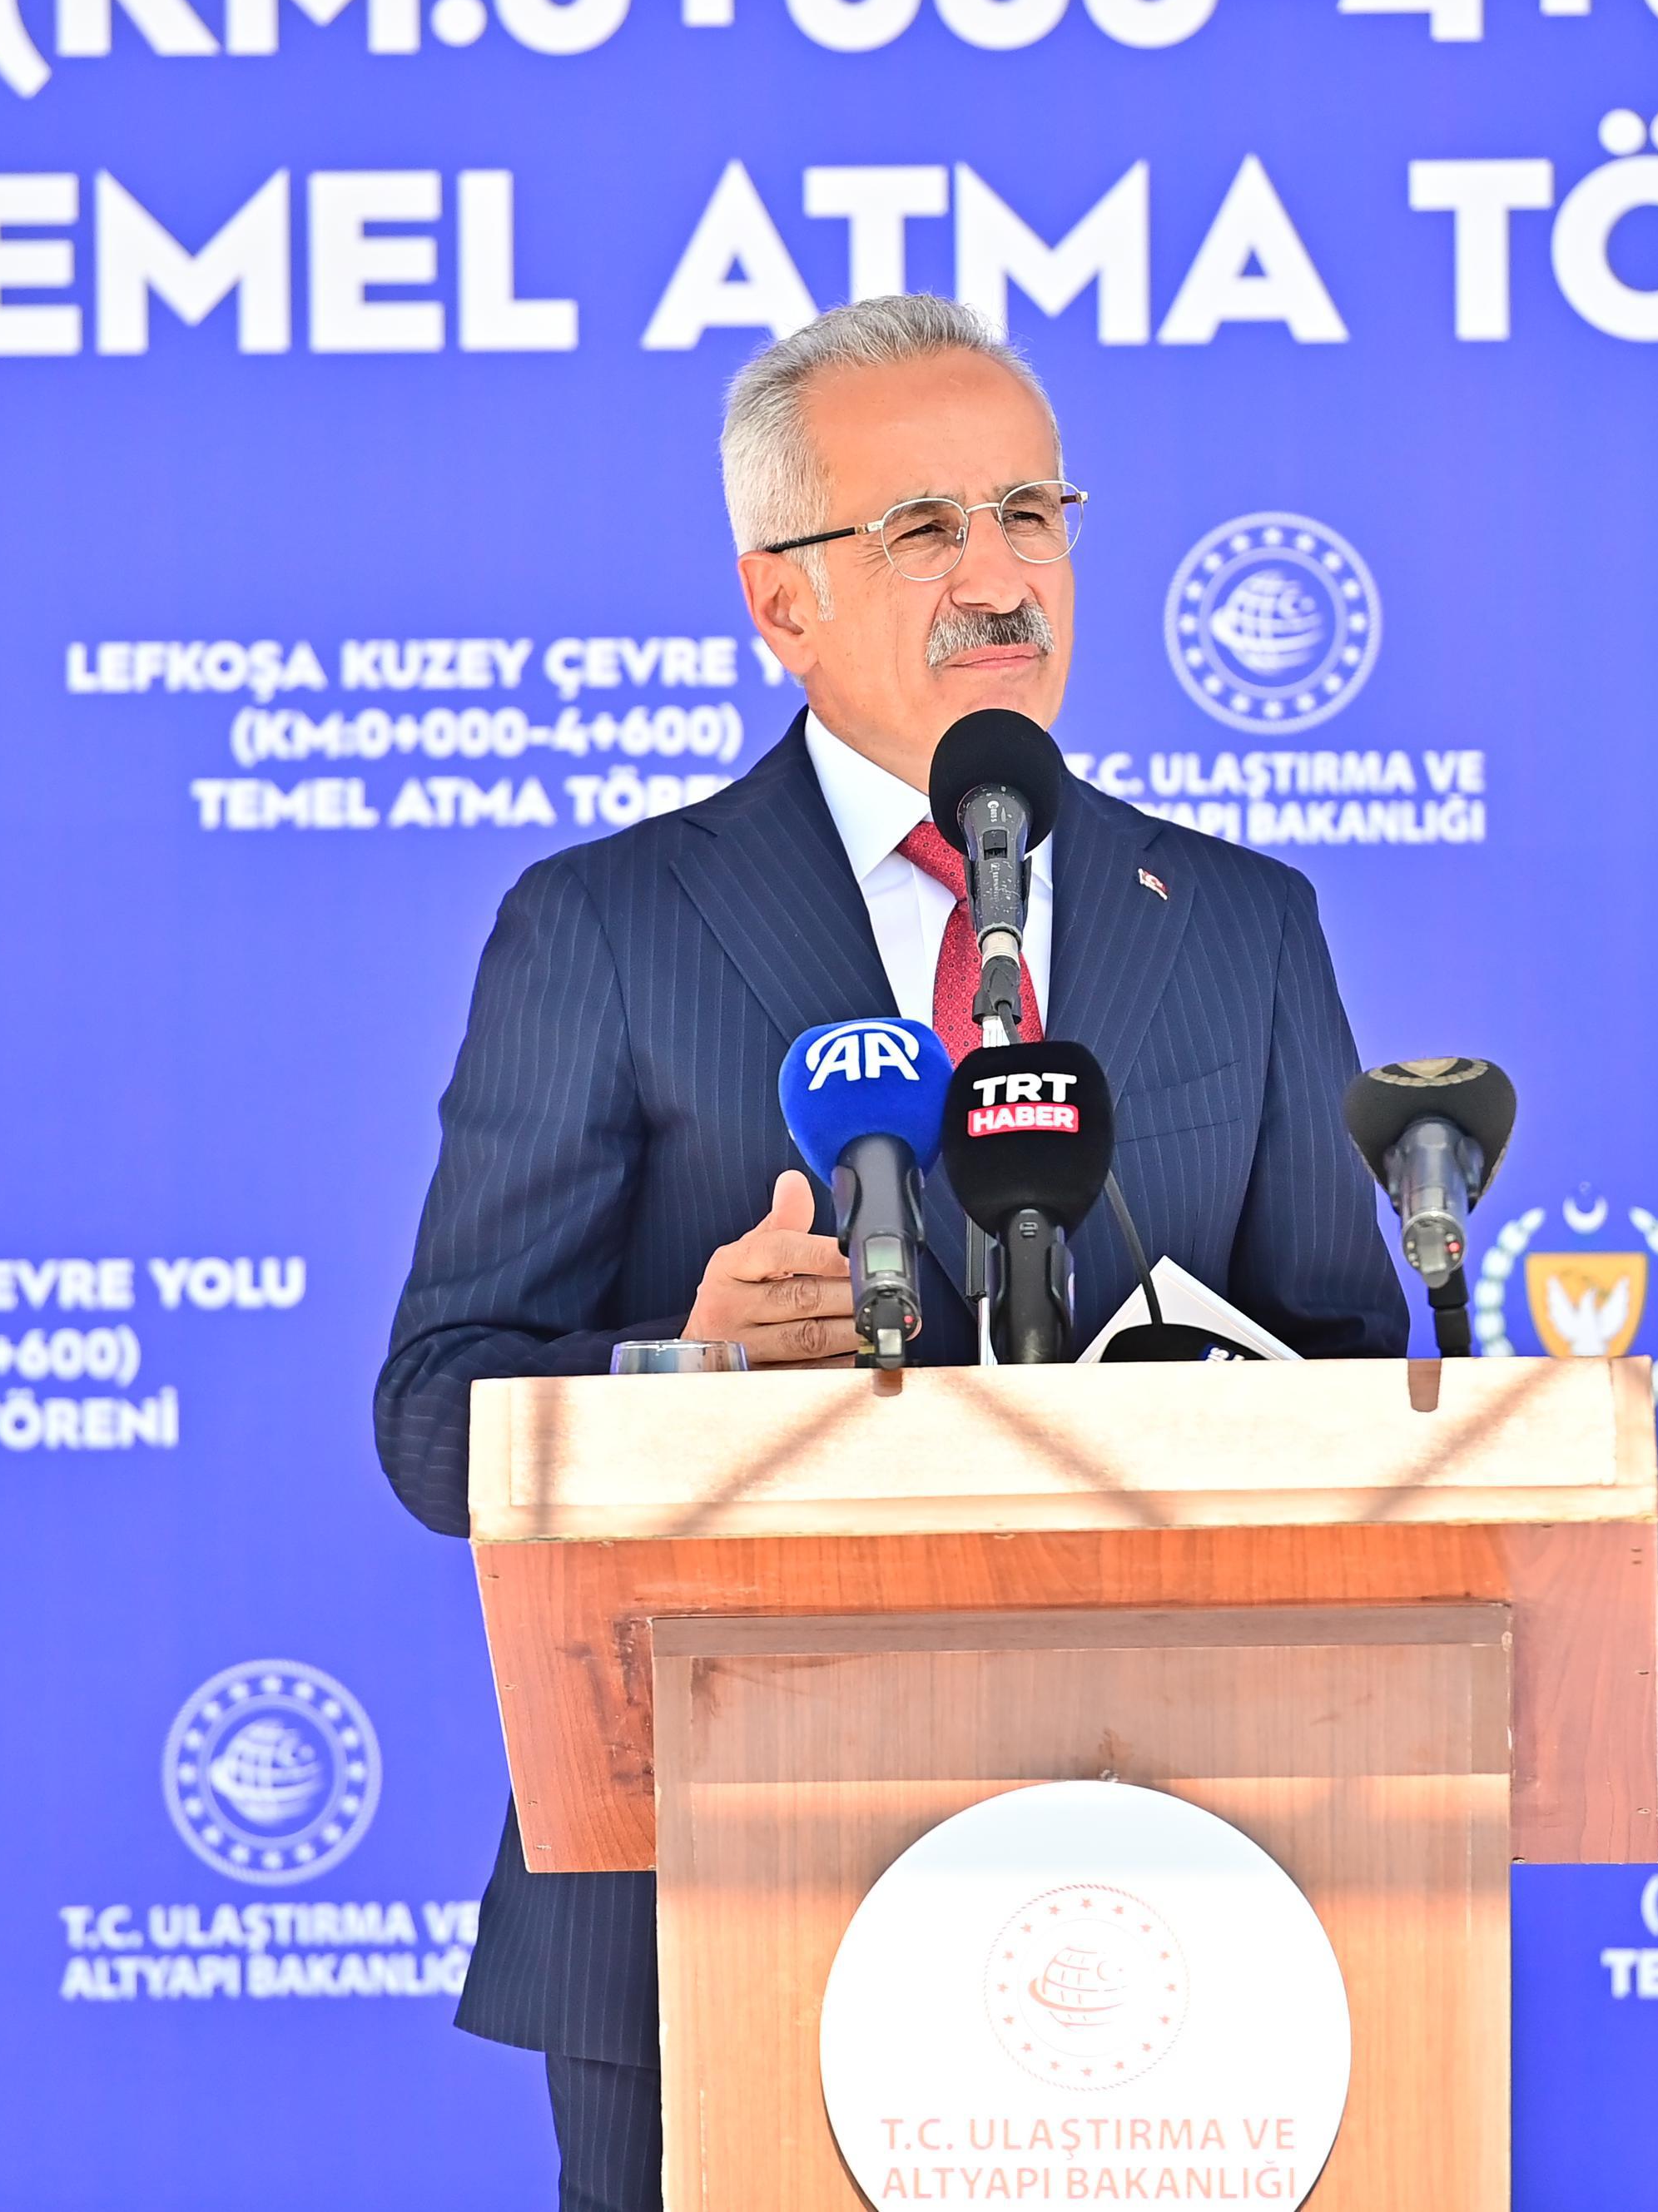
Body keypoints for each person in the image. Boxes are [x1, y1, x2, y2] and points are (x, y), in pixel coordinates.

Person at [371, 293, 1407, 2212]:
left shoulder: (1239, 926)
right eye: (924, 527)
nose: (998, 576)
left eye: (1030, 512)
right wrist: (680, 1370)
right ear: (781, 599)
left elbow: (1349, 1379)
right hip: (716, 1888)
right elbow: (439, 1419)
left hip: (1177, 1894)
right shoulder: (604, 929)